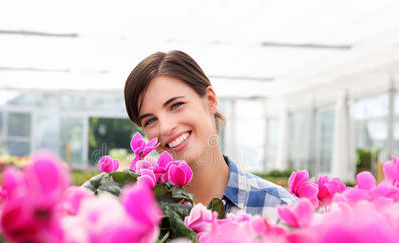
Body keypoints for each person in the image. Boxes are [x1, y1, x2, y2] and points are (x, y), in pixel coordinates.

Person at [124, 50, 297, 222]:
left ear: (210, 101)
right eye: (150, 120)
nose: (166, 128)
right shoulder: (138, 214)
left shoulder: (279, 210)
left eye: (176, 105)